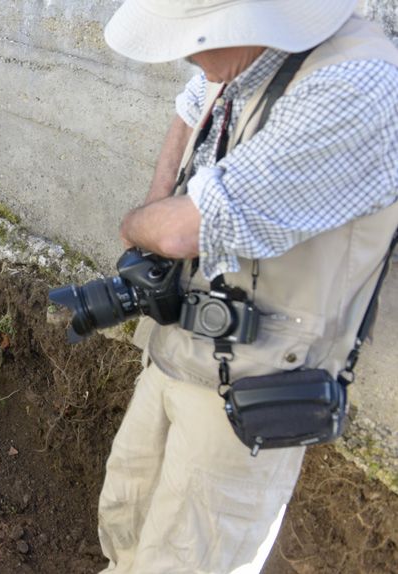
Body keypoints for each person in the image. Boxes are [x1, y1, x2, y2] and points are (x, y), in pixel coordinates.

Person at [97, 1, 398, 572]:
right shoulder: (249, 61)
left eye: (191, 38)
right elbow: (191, 105)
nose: (185, 52)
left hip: (253, 389)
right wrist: (155, 216)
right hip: (179, 349)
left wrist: (138, 226)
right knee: (125, 515)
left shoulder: (357, 86)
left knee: (187, 558)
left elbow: (191, 230)